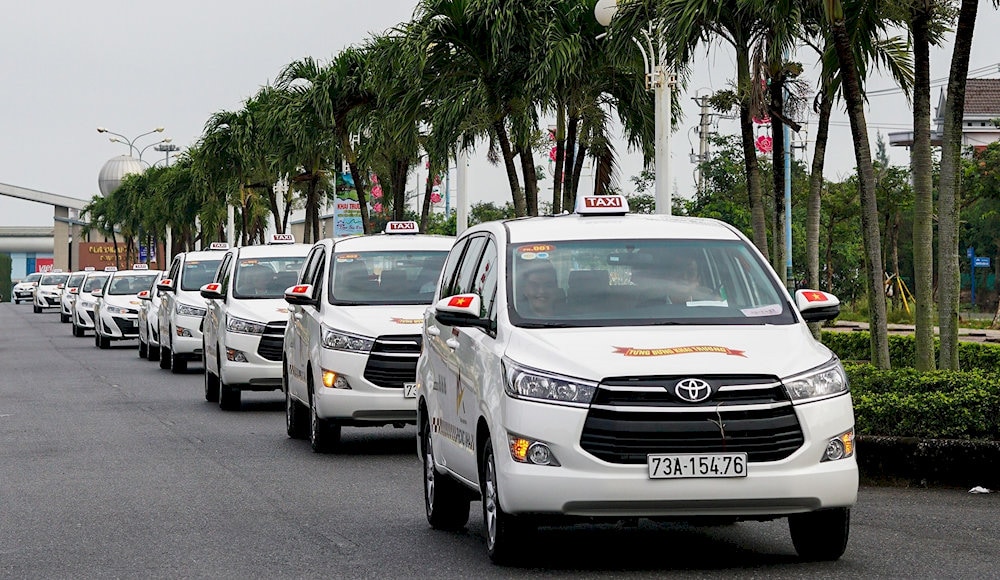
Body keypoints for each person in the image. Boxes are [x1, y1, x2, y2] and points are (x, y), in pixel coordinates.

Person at [633, 249, 719, 305]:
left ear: (698, 280)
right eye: (679, 270)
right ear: (669, 275)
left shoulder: (709, 304)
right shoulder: (650, 304)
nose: (684, 277)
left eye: (690, 273)